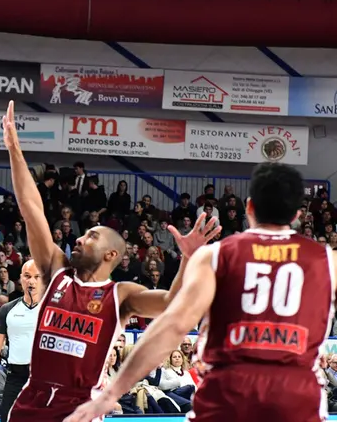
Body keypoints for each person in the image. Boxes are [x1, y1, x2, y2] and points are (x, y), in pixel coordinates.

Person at [0, 100, 221, 422]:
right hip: (31, 399)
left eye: (91, 236)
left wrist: (188, 258)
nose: (79, 239)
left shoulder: (120, 295)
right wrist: (14, 150)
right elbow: (30, 207)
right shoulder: (57, 271)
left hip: (79, 406)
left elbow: (173, 303)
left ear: (111, 254)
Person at [66, 162, 334, 422]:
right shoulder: (327, 261)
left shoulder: (215, 256)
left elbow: (173, 325)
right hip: (297, 398)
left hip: (228, 395)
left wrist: (111, 393)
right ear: (297, 215)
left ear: (249, 206)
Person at [0, 260, 43, 422]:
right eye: (27, 276)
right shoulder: (7, 309)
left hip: (46, 377)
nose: (31, 281)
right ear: (21, 278)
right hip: (16, 376)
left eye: (37, 277)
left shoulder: (54, 308)